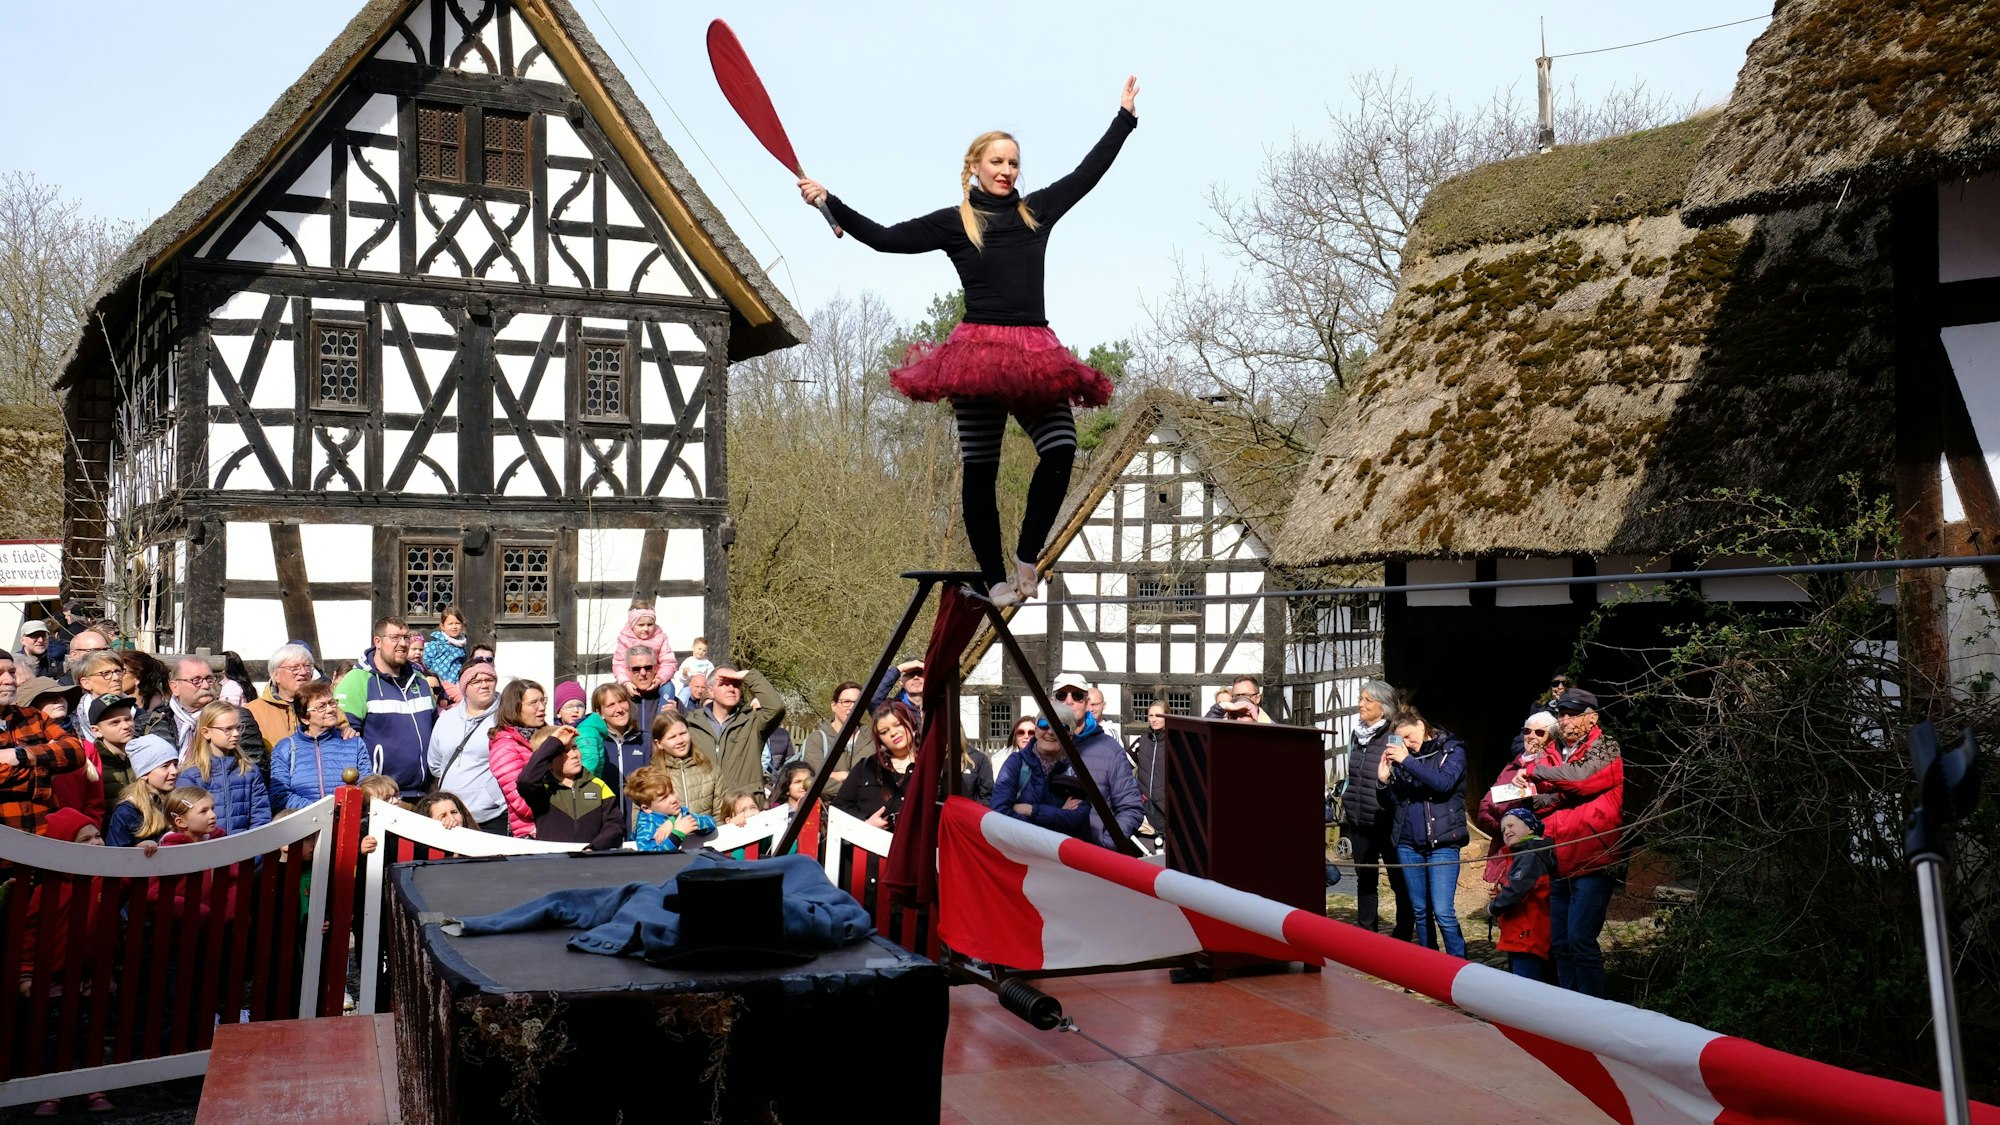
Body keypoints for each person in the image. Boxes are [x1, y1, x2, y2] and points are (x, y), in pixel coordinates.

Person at [801, 78, 1140, 607]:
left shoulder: (1036, 212)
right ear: (975, 167)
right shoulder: (956, 222)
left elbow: (1087, 174)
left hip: (1035, 354)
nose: (1006, 170)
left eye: (1013, 163)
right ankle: (993, 577)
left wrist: (1123, 118)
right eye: (997, 161)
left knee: (1061, 450)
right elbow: (889, 238)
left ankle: (1027, 553)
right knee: (981, 470)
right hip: (977, 357)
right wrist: (832, 204)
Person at [1521, 688, 1624, 998]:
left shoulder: (1606, 747)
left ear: (1592, 718)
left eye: (1572, 713)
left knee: (1581, 939)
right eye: (1561, 714)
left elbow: (1581, 779)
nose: (1564, 719)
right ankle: (1570, 1007)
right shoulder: (1552, 752)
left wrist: (1542, 774)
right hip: (1558, 859)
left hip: (1592, 858)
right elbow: (1537, 801)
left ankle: (1594, 1009)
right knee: (1561, 943)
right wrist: (1560, 786)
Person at [1377, 708, 1469, 958]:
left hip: (1443, 842)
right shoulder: (1405, 759)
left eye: (1408, 735)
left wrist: (1406, 759)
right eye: (1401, 740)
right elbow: (1394, 803)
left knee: (1443, 911)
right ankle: (1430, 966)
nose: (1407, 743)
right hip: (1408, 843)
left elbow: (1443, 784)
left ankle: (1459, 967)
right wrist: (1383, 782)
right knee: (1420, 910)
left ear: (1421, 724)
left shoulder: (1452, 751)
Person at [992, 699, 1144, 849]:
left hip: (1061, 862)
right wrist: (1058, 815)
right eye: (1044, 724)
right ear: (1036, 730)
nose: (1050, 731)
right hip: (1023, 856)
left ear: (1069, 736)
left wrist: (1030, 810)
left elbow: (1077, 819)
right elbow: (1000, 812)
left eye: (1060, 727)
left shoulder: (1076, 769)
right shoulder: (1016, 763)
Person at [334, 616, 437, 798]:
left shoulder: (420, 681)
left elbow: (436, 732)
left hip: (424, 794)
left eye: (406, 638)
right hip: (382, 797)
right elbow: (344, 741)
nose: (403, 643)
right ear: (378, 641)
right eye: (395, 637)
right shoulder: (356, 681)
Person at [1340, 680, 1412, 939]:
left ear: (1383, 707)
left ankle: (1404, 929)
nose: (1361, 704)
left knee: (1397, 879)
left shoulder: (1393, 735)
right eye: (1361, 698)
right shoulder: (1356, 734)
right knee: (1365, 877)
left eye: (1368, 700)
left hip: (1386, 818)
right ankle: (1365, 930)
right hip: (1359, 816)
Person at [0, 653, 84, 837]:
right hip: (5, 844)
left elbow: (76, 751)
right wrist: (47, 770)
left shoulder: (34, 716)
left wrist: (24, 755)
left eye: (12, 673)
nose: (8, 680)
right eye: (0, 673)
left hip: (47, 838)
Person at [1477, 710, 1559, 886]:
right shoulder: (1510, 769)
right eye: (1527, 731)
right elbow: (1485, 807)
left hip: (1535, 850)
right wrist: (1506, 829)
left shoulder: (1554, 767)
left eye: (1539, 732)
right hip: (1504, 848)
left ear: (1551, 738)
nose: (1531, 736)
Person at [424, 659, 503, 832]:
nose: (484, 685)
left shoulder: (506, 716)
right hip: (451, 817)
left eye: (489, 680)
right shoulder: (446, 719)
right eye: (476, 681)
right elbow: (435, 765)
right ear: (464, 687)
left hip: (493, 815)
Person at [686, 666, 785, 801]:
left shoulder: (752, 723)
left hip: (745, 808)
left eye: (736, 684)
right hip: (705, 810)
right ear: (710, 691)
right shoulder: (692, 724)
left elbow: (776, 707)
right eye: (724, 684)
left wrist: (747, 675)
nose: (731, 689)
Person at [1478, 807, 1556, 980]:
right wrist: (1503, 889)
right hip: (1523, 934)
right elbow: (1524, 884)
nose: (1507, 831)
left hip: (1526, 935)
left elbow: (1517, 889)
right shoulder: (1524, 854)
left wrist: (1493, 907)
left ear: (1529, 828)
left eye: (1511, 825)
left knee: (1524, 986)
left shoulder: (1528, 855)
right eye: (1504, 829)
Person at [268, 681, 369, 812]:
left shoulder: (353, 742)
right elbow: (279, 795)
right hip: (304, 825)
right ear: (304, 718)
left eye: (332, 703)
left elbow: (367, 784)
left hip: (346, 821)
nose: (331, 709)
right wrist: (319, 810)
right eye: (321, 706)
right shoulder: (285, 748)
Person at [517, 724, 621, 850]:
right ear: (548, 760)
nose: (574, 755)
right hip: (552, 864)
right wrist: (553, 742)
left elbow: (615, 826)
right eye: (563, 751)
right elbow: (525, 781)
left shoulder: (598, 786)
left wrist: (594, 848)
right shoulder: (542, 789)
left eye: (575, 747)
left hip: (591, 861)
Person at [178, 701, 272, 835]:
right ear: (206, 732)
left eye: (238, 727)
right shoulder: (190, 775)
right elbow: (187, 822)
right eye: (227, 729)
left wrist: (253, 852)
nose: (236, 734)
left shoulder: (249, 770)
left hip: (245, 851)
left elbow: (261, 816)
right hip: (207, 851)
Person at [834, 702, 921, 830]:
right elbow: (839, 807)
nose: (893, 733)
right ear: (880, 740)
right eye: (884, 731)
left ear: (911, 724)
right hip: (873, 846)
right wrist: (865, 823)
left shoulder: (936, 766)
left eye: (898, 725)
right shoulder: (866, 767)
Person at [487, 679, 551, 838]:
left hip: (557, 825)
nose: (542, 707)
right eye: (534, 703)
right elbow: (522, 803)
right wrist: (563, 807)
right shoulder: (504, 747)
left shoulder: (548, 736)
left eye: (543, 700)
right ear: (515, 708)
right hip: (532, 832)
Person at [795, 681, 874, 788]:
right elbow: (814, 783)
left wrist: (834, 776)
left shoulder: (872, 738)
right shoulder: (817, 739)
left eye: (857, 702)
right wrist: (854, 789)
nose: (852, 707)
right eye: (846, 702)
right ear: (834, 706)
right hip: (828, 803)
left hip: (864, 804)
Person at [106, 734, 180, 849]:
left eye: (175, 764)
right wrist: (137, 849)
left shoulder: (180, 800)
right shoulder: (127, 812)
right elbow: (116, 855)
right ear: (144, 774)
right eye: (165, 766)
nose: (174, 771)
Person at [626, 764, 713, 853]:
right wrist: (677, 834)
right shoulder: (647, 826)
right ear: (647, 808)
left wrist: (672, 821)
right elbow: (650, 857)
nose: (673, 799)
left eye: (672, 792)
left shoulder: (677, 813)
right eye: (664, 798)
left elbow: (710, 823)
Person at [651, 712, 721, 820]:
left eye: (683, 733)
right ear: (659, 744)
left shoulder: (710, 769)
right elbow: (642, 823)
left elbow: (720, 815)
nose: (680, 741)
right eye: (672, 737)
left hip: (708, 835)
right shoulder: (651, 777)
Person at [82, 693, 140, 822]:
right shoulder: (91, 763)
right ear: (96, 731)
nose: (126, 726)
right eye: (115, 722)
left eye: (128, 719)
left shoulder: (145, 754)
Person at [247, 643, 315, 752]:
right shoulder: (253, 711)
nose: (303, 672)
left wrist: (346, 732)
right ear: (276, 675)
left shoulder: (326, 705)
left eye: (307, 666)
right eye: (294, 668)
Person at [1129, 701, 1169, 840]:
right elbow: (1122, 767)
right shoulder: (1142, 741)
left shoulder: (1175, 742)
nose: (1154, 719)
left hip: (1165, 810)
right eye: (1150, 715)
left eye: (1158, 715)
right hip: (1144, 807)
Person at [610, 605, 677, 686]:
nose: (646, 629)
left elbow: (668, 661)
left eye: (650, 624)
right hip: (631, 679)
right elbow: (619, 664)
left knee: (668, 687)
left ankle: (666, 699)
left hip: (655, 677)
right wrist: (626, 682)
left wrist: (660, 678)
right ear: (632, 625)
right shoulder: (625, 640)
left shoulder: (660, 638)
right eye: (641, 625)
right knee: (616, 692)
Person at [619, 648, 674, 741]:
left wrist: (676, 718)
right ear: (628, 671)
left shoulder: (669, 701)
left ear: (655, 668)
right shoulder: (618, 702)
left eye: (648, 667)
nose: (643, 673)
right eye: (636, 669)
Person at [69, 649, 123, 741]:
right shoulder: (73, 720)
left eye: (118, 671)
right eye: (106, 673)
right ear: (86, 683)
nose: (116, 677)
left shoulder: (139, 715)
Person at [424, 606, 470, 691]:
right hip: (439, 687)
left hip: (456, 687)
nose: (454, 627)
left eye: (457, 623)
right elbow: (425, 665)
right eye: (450, 624)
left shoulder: (462, 645)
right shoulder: (435, 645)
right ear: (442, 626)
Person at [872, 659, 927, 724]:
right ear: (901, 682)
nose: (916, 677)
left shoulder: (940, 703)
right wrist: (899, 668)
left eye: (920, 673)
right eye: (910, 674)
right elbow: (873, 700)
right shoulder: (894, 709)